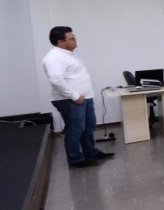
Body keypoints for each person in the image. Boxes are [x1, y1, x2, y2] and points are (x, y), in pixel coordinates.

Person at [42, 26, 115, 168]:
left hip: (84, 98)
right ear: (60, 41)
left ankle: (90, 153)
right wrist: (74, 96)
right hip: (70, 100)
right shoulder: (54, 57)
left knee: (88, 127)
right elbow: (56, 80)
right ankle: (75, 159)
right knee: (75, 130)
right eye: (72, 38)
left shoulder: (68, 54)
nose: (75, 41)